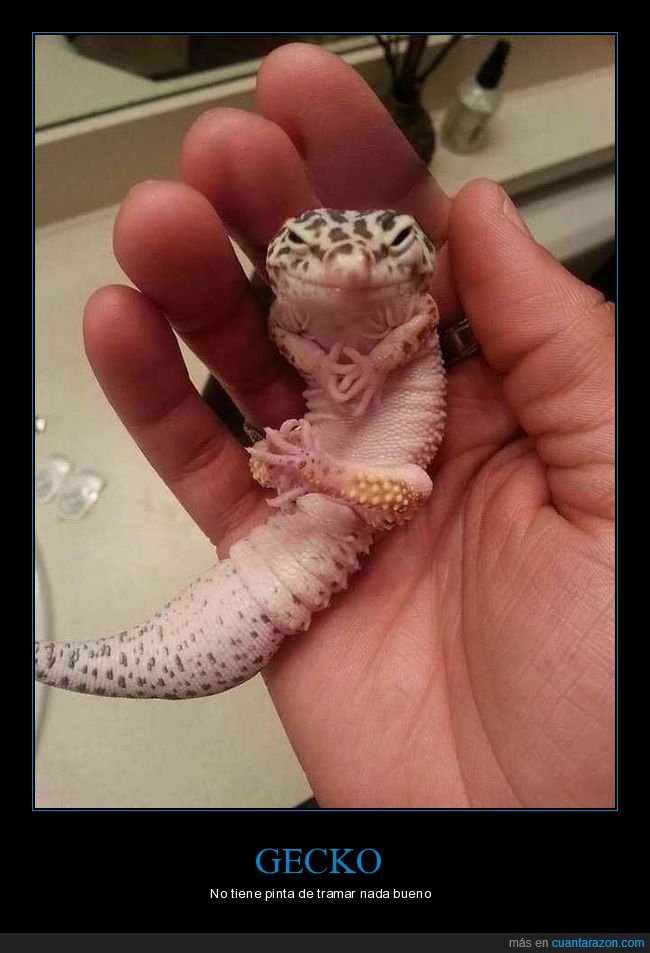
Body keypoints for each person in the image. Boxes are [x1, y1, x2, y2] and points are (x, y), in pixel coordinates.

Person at [82, 43, 614, 808]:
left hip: (369, 476)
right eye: (319, 259)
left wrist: (340, 431)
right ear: (284, 271)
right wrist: (321, 377)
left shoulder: (411, 308)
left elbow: (417, 381)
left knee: (374, 482)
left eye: (381, 254)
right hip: (325, 473)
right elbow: (285, 332)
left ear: (410, 263)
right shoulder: (298, 314)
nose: (353, 269)